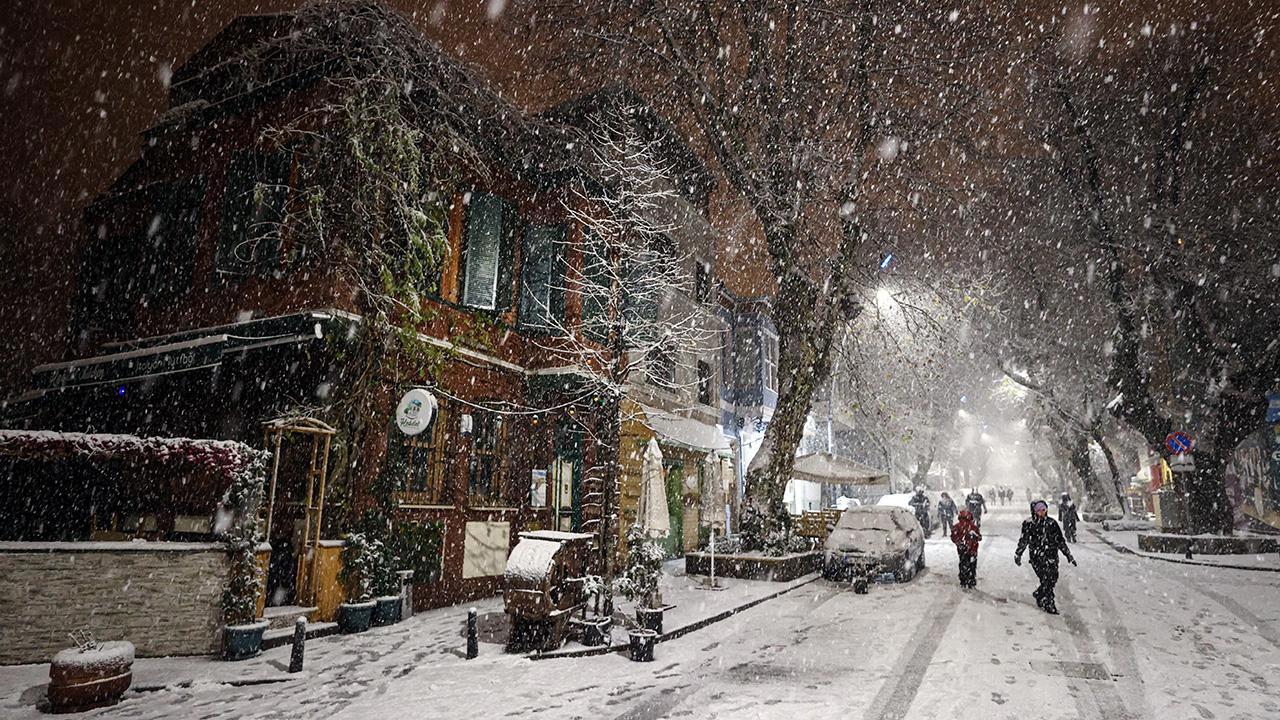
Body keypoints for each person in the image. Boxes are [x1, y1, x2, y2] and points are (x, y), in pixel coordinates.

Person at [1015, 499, 1077, 614]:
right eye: (1039, 510)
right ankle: (1049, 603)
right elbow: (1024, 540)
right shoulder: (1029, 524)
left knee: (1053, 578)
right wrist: (1018, 553)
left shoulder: (1052, 523)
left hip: (1052, 556)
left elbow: (1060, 541)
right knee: (1046, 579)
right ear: (1034, 511)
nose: (1042, 512)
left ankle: (1039, 594)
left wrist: (1068, 555)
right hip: (1037, 557)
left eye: (1044, 510)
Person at [951, 509, 982, 588]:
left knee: (963, 563)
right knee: (972, 565)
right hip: (972, 550)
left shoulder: (957, 526)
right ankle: (971, 579)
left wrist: (959, 543)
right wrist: (975, 537)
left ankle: (964, 579)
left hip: (963, 550)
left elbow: (953, 537)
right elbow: (979, 537)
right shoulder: (973, 527)